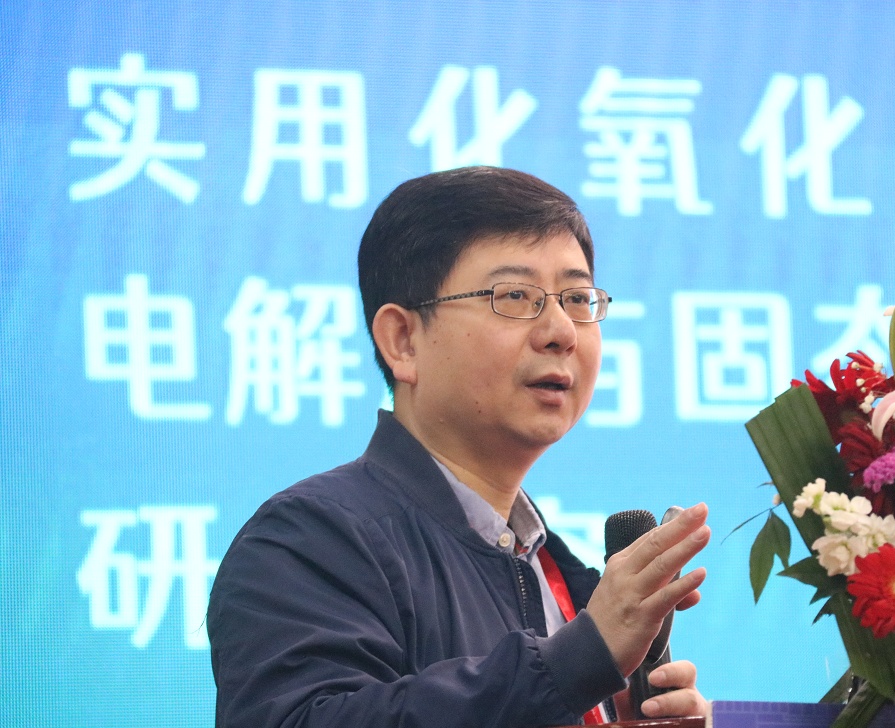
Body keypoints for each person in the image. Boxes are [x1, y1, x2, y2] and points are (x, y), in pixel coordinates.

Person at [207, 166, 711, 727]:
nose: (562, 332)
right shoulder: (310, 540)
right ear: (403, 340)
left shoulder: (553, 572)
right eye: (515, 296)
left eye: (576, 298)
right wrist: (578, 660)